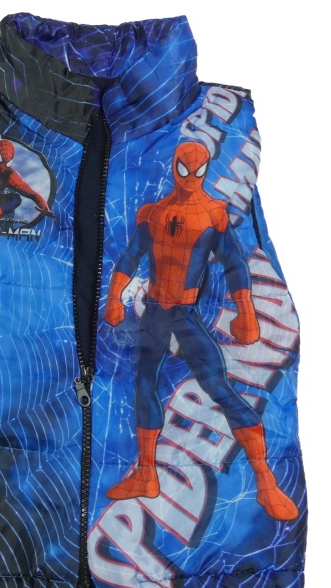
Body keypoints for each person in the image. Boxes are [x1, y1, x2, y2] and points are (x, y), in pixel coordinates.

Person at [103, 141, 298, 521]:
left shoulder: (214, 214)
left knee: (220, 388)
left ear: (206, 170)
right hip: (155, 311)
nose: (190, 177)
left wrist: (246, 311)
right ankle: (146, 474)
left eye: (198, 170)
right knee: (145, 385)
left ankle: (265, 481)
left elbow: (234, 263)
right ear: (174, 166)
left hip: (185, 312)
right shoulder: (153, 213)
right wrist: (114, 298)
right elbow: (130, 257)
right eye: (184, 169)